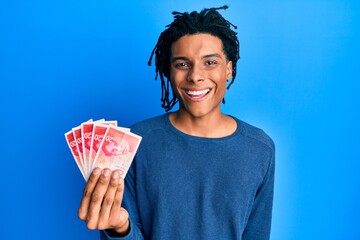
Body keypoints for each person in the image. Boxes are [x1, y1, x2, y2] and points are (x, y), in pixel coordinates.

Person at [78, 5, 275, 240]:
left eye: (210, 63)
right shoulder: (133, 143)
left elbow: (257, 234)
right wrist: (120, 227)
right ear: (168, 71)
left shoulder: (260, 148)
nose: (195, 76)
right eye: (182, 64)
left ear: (229, 69)